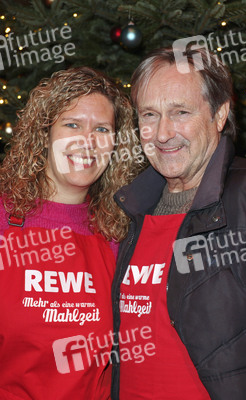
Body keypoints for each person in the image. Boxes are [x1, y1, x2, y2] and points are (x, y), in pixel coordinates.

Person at [111, 47, 246, 400]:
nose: (163, 133)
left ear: (220, 113)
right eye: (149, 115)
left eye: (180, 112)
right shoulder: (129, 210)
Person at [0, 66, 142, 399]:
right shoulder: (3, 219)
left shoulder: (121, 233)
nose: (87, 141)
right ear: (44, 133)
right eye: (72, 124)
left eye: (102, 128)